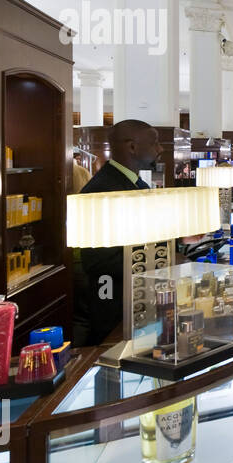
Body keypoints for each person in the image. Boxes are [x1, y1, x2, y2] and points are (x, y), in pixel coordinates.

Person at [73, 119, 160, 346]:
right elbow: (99, 262)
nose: (160, 149)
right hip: (113, 302)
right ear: (132, 147)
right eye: (154, 143)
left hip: (138, 299)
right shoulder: (101, 192)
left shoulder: (137, 186)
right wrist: (156, 261)